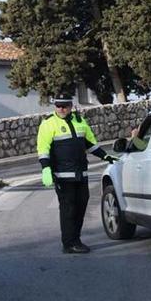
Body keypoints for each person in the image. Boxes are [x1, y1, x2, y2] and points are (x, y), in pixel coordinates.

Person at [37, 93, 117, 254]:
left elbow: (88, 143)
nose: (61, 109)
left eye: (64, 106)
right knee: (68, 209)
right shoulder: (48, 124)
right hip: (63, 176)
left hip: (81, 174)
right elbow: (43, 148)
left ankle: (76, 239)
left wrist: (105, 156)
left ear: (71, 106)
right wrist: (45, 168)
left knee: (81, 206)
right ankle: (69, 243)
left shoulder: (79, 121)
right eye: (58, 106)